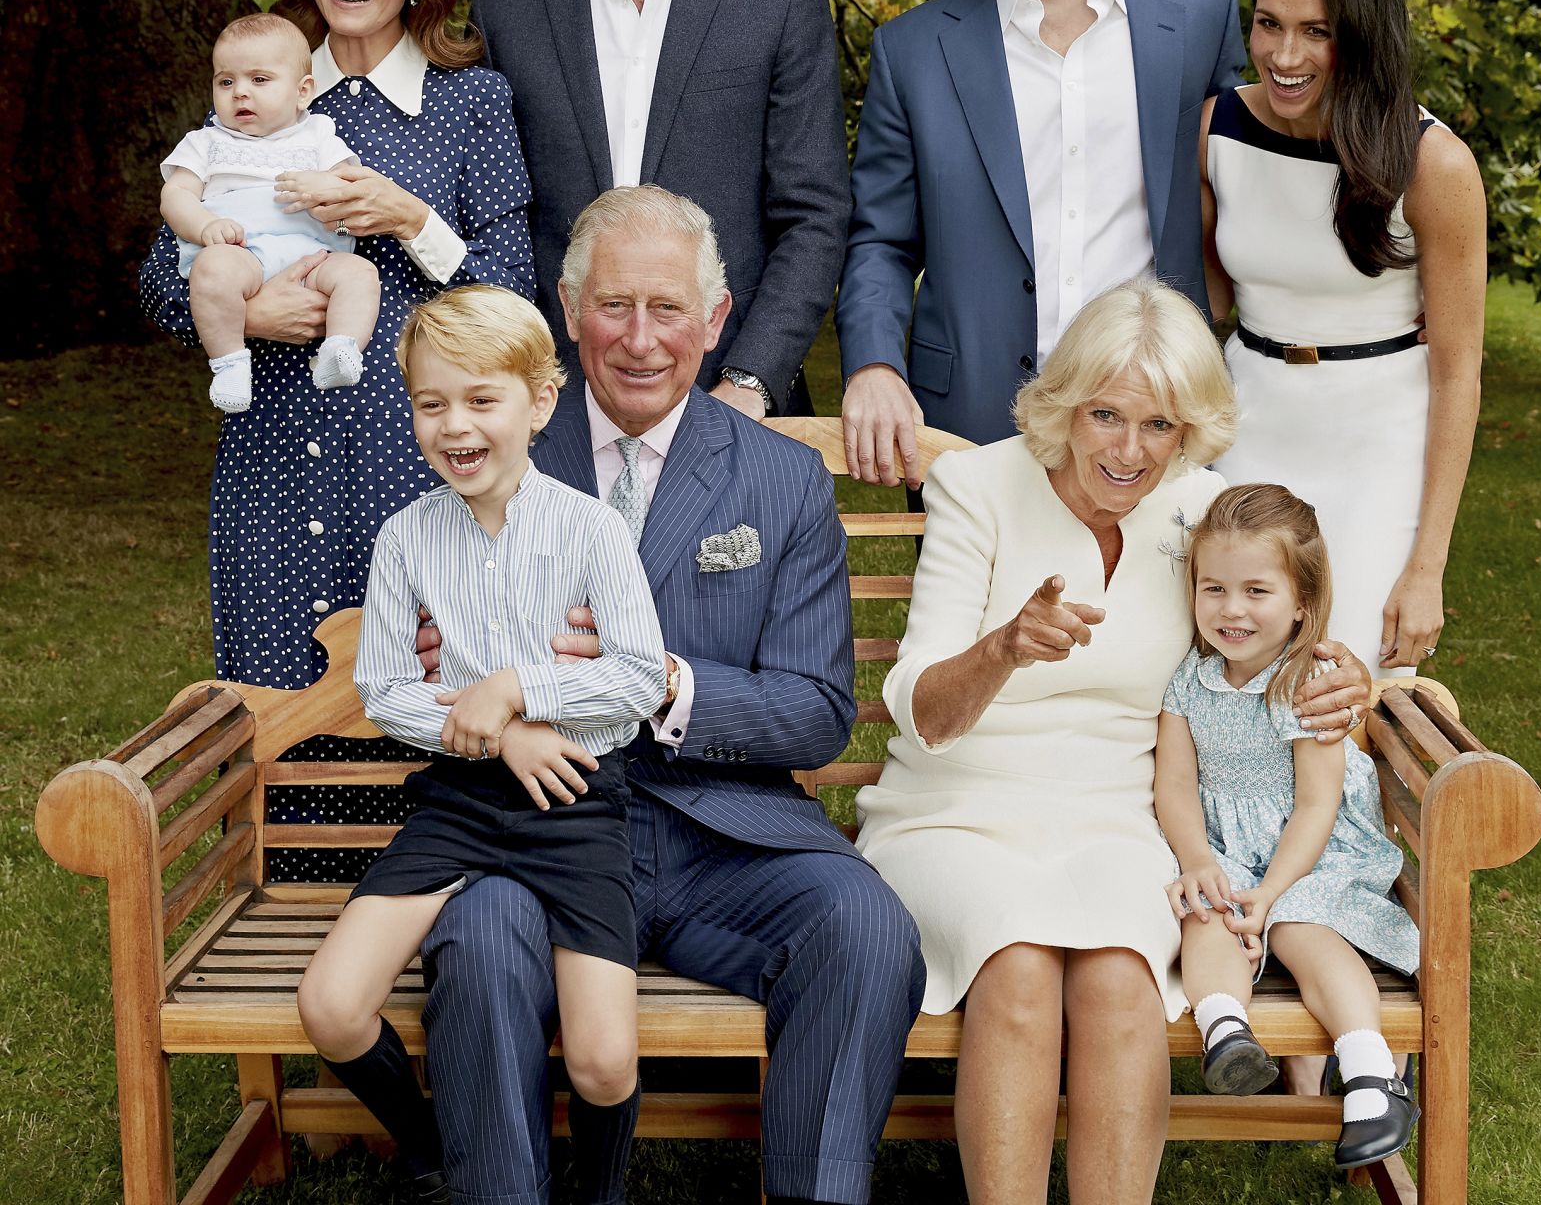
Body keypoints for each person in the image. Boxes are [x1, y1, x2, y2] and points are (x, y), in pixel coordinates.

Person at [418, 186, 926, 1205]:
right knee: (476, 942)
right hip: (535, 829)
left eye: (667, 310)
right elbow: (433, 661)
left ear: (715, 320)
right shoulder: (483, 454)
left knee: (862, 924)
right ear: (566, 308)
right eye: (613, 306)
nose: (640, 340)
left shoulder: (779, 480)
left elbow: (817, 712)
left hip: (721, 833)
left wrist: (657, 680)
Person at [854, 279, 1371, 1205]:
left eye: (1160, 426)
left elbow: (1283, 629)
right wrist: (1005, 647)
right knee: (1015, 966)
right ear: (1066, 405)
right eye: (1105, 415)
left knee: (1121, 978)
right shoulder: (978, 487)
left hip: (1123, 813)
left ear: (1189, 432)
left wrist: (1340, 675)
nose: (1129, 451)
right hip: (956, 806)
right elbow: (922, 713)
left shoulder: (1201, 508)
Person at [140, 0, 534, 876]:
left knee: (436, 724)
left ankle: (447, 980)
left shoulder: (470, 104)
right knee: (283, 736)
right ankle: (305, 981)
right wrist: (246, 309)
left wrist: (411, 219)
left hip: (416, 478)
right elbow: (154, 275)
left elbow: (514, 290)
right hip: (270, 469)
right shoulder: (259, 86)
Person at [297, 286, 666, 1205]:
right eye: (432, 403)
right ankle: (427, 1153)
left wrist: (518, 689)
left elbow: (634, 680)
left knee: (605, 1064)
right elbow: (386, 691)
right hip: (460, 802)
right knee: (332, 1007)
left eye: (481, 399)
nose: (455, 425)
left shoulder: (594, 530)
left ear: (540, 402)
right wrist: (499, 734)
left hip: (578, 802)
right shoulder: (406, 540)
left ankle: (601, 1185)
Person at [837, 0, 1246, 478]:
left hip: (1159, 421)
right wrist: (871, 363)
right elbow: (881, 243)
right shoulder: (913, 50)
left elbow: (1246, 194)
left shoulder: (1197, 18)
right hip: (970, 425)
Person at [470, 0, 849, 418]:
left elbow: (814, 217)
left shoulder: (779, 2)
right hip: (557, 414)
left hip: (733, 406)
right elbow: (501, 226)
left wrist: (751, 381)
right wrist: (530, 380)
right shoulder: (506, 19)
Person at [1201, 0, 1486, 677]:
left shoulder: (1434, 164)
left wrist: (1426, 568)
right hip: (1247, 432)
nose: (1284, 55)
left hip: (1377, 449)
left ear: (1360, 33)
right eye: (1267, 24)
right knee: (1229, 678)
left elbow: (1459, 371)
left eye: (1316, 32)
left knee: (1345, 689)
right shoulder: (1217, 131)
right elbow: (1207, 306)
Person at [1155, 482, 1419, 1171]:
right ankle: (1228, 1035)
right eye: (1213, 589)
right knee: (1206, 915)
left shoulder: (1309, 681)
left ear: (1302, 601)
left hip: (1312, 855)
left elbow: (1315, 807)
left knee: (1301, 928)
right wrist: (1197, 859)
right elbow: (1176, 786)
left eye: (1256, 591)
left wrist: (1269, 895)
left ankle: (1370, 1074)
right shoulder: (1188, 680)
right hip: (1226, 851)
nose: (1231, 610)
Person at [159, 13, 380, 413]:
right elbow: (174, 196)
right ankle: (229, 362)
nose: (240, 92)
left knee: (360, 274)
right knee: (212, 272)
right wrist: (205, 225)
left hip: (313, 256)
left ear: (302, 92)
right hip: (239, 252)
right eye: (226, 81)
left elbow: (351, 186)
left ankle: (342, 347)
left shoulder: (319, 136)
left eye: (259, 80)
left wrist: (327, 186)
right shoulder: (206, 142)